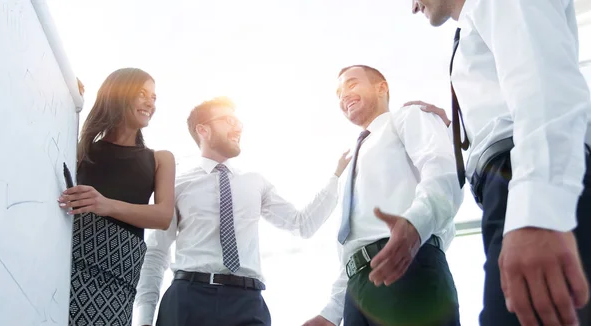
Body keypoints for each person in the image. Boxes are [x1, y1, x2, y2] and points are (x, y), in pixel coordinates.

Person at [412, 0, 591, 325]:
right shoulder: (473, 23)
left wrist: (538, 215)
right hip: (511, 184)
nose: (412, 6)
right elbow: (510, 103)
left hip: (526, 179)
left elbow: (547, 91)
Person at [134, 96, 350, 326]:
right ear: (203, 130)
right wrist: (144, 320)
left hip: (247, 303)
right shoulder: (176, 184)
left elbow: (301, 225)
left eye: (239, 121)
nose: (238, 126)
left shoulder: (255, 182)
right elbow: (156, 254)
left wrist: (336, 177)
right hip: (188, 300)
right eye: (228, 120)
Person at [303, 65, 463, 326]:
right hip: (357, 292)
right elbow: (357, 243)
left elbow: (443, 170)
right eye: (339, 92)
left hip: (408, 270)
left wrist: (415, 224)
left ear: (381, 88)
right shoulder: (352, 163)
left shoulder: (408, 117)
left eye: (352, 84)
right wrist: (332, 311)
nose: (344, 95)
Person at [58, 68, 175, 326]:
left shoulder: (160, 159)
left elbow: (163, 216)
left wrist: (106, 205)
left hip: (120, 274)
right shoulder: (81, 149)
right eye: (142, 94)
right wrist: (61, 94)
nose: (150, 103)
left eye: (154, 97)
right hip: (73, 264)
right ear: (118, 94)